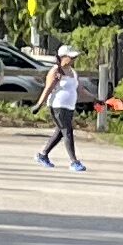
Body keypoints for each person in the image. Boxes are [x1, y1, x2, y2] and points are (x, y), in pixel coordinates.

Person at [35, 42, 87, 171]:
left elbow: (81, 90)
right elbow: (48, 89)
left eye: (74, 57)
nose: (73, 60)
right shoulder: (55, 71)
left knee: (60, 132)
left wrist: (96, 99)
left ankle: (43, 155)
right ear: (62, 57)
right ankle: (74, 161)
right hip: (57, 106)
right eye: (71, 57)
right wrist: (39, 104)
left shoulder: (73, 72)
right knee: (67, 131)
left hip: (69, 107)